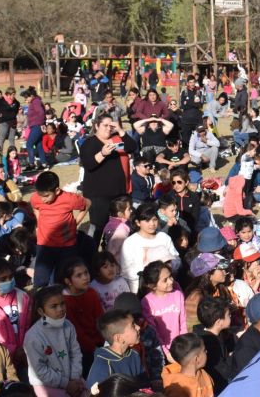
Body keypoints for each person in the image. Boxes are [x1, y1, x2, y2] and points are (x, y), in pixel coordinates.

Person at [80, 114, 138, 243]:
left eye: (110, 125)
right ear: (96, 126)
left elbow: (132, 147)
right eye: (105, 125)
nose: (108, 128)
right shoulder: (90, 143)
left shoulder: (115, 141)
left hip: (118, 193)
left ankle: (112, 250)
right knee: (98, 226)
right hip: (99, 195)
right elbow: (89, 164)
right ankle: (91, 252)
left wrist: (120, 130)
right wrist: (102, 154)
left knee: (121, 225)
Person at [30, 171, 91, 287]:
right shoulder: (35, 198)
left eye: (46, 196)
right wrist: (39, 222)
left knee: (61, 280)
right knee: (40, 279)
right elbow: (35, 207)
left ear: (57, 191)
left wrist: (75, 222)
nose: (43, 199)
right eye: (40, 195)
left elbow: (87, 203)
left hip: (66, 247)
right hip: (44, 245)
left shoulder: (69, 199)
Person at [23, 285, 86, 397]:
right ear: (41, 311)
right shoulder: (33, 336)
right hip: (46, 385)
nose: (60, 309)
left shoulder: (68, 326)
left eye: (62, 304)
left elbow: (75, 353)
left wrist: (75, 378)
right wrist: (66, 384)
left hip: (73, 379)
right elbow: (40, 370)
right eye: (54, 306)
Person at [120, 203, 181, 293]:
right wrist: (148, 274)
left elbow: (176, 258)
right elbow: (126, 270)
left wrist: (170, 265)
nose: (152, 224)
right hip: (140, 289)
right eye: (147, 221)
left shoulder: (164, 237)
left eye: (154, 220)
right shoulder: (130, 242)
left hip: (165, 288)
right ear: (138, 222)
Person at [59, 257, 105, 376]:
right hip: (80, 350)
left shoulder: (92, 293)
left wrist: (103, 340)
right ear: (68, 281)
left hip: (98, 344)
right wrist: (93, 348)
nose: (85, 277)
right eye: (78, 275)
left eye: (86, 273)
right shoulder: (65, 301)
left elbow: (100, 319)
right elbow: (76, 331)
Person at [140, 261, 186, 364]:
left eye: (170, 276)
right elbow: (153, 331)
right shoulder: (147, 302)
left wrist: (184, 343)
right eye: (165, 280)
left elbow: (183, 322)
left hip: (180, 347)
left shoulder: (178, 295)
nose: (170, 281)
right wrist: (166, 352)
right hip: (161, 351)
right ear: (152, 286)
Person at [86, 309, 145, 389]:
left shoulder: (134, 355)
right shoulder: (102, 367)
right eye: (133, 326)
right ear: (119, 338)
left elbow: (143, 384)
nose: (138, 327)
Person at [194, 297, 233, 393]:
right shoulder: (209, 344)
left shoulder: (215, 332)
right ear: (219, 322)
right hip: (219, 387)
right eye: (228, 315)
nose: (231, 316)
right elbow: (224, 371)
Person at [22, 88, 47, 169]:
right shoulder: (35, 101)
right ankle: (44, 163)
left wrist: (41, 124)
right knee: (39, 145)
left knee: (29, 144)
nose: (26, 99)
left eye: (27, 97)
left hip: (37, 126)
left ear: (31, 96)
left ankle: (31, 164)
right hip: (36, 125)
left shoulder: (35, 102)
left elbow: (41, 113)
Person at [179, 76, 205, 145]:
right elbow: (182, 106)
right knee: (185, 139)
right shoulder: (184, 92)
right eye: (190, 82)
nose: (192, 84)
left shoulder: (199, 92)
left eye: (193, 82)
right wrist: (194, 103)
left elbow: (200, 105)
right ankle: (186, 153)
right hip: (186, 120)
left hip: (197, 119)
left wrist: (188, 102)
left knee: (199, 138)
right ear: (187, 83)